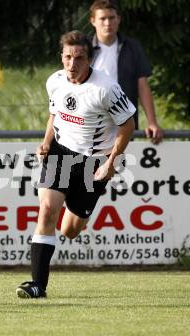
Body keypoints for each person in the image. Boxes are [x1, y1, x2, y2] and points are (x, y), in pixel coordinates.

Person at [16, 30, 135, 299]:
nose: (72, 64)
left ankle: (80, 218)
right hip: (60, 153)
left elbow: (128, 125)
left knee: (69, 230)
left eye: (79, 58)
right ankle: (38, 286)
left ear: (89, 59)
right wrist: (46, 142)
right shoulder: (55, 81)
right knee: (46, 211)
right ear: (62, 57)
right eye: (67, 57)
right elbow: (54, 114)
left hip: (93, 164)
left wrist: (110, 163)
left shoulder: (105, 88)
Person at [89, 0, 163, 144]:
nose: (107, 23)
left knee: (125, 166)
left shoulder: (132, 47)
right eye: (102, 18)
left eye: (111, 18)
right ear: (93, 21)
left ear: (119, 19)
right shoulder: (84, 49)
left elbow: (142, 85)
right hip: (90, 126)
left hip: (124, 125)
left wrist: (152, 122)